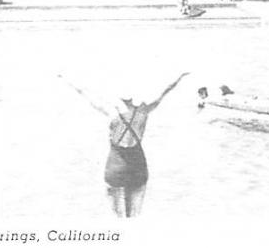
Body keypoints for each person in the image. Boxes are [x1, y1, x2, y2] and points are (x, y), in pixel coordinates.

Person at [58, 71, 190, 218]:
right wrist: (180, 76)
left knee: (118, 220)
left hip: (116, 167)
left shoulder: (111, 112)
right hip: (138, 167)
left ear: (120, 97)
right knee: (134, 217)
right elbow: (166, 90)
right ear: (134, 97)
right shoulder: (144, 111)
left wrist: (65, 78)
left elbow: (84, 92)